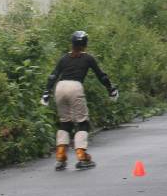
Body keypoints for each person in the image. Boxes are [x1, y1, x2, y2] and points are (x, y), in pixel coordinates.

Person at [41, 30, 118, 170]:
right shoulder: (88, 58)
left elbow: (53, 76)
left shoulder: (64, 58)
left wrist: (46, 92)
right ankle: (82, 156)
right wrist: (110, 88)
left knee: (65, 123)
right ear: (85, 44)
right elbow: (101, 76)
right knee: (83, 123)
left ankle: (60, 157)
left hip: (60, 87)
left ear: (72, 43)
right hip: (75, 87)